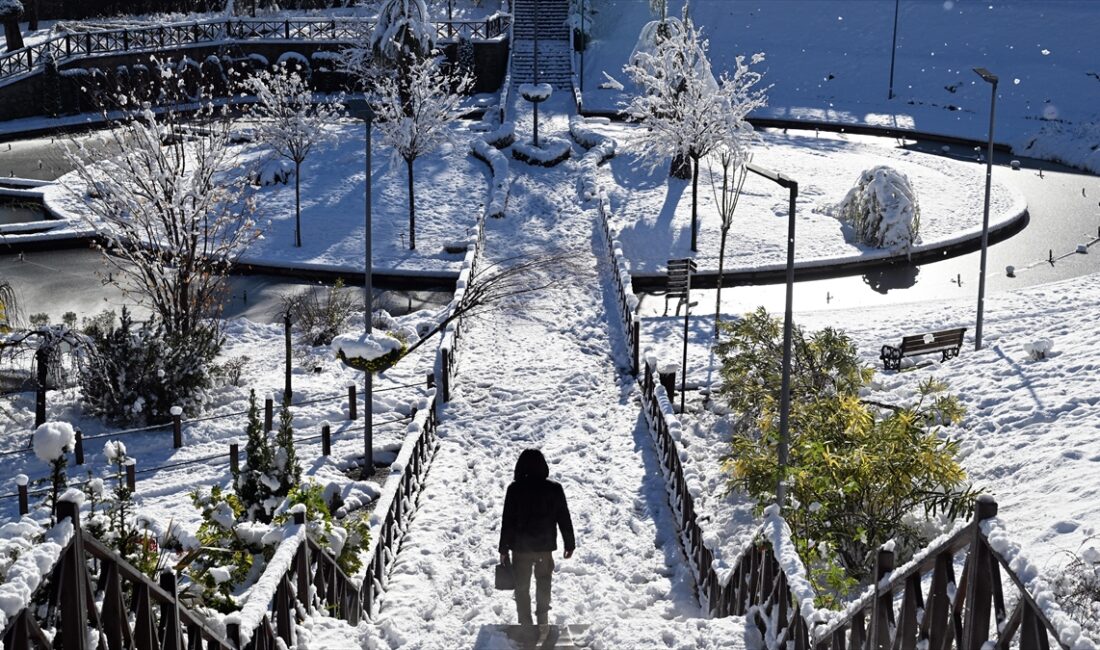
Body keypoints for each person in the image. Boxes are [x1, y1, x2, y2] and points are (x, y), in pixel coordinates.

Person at [499, 449, 575, 633]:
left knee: (521, 587)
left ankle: (526, 625)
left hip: (521, 549)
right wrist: (569, 543)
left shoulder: (514, 489)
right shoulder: (554, 489)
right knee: (544, 583)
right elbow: (563, 517)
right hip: (544, 548)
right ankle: (543, 622)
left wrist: (503, 549)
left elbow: (507, 520)